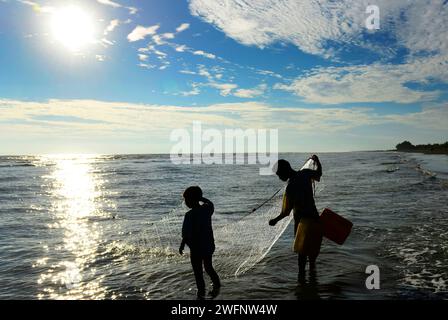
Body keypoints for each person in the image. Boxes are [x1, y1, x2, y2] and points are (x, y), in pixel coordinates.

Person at [269, 155, 323, 282]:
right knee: (312, 255)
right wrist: (317, 161)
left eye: (279, 174)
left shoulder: (290, 187)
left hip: (302, 224)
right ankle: (313, 281)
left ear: (285, 171)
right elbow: (319, 174)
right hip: (315, 219)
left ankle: (301, 284)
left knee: (302, 257)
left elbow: (286, 212)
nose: (279, 177)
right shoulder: (305, 174)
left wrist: (275, 220)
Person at [179, 186, 221, 299]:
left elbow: (185, 234)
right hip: (208, 245)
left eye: (187, 200)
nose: (186, 203)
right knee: (208, 267)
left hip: (196, 248)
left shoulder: (189, 215)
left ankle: (201, 293)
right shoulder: (207, 210)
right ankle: (217, 286)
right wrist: (201, 198)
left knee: (198, 273)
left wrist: (182, 245)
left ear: (191, 200)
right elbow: (210, 203)